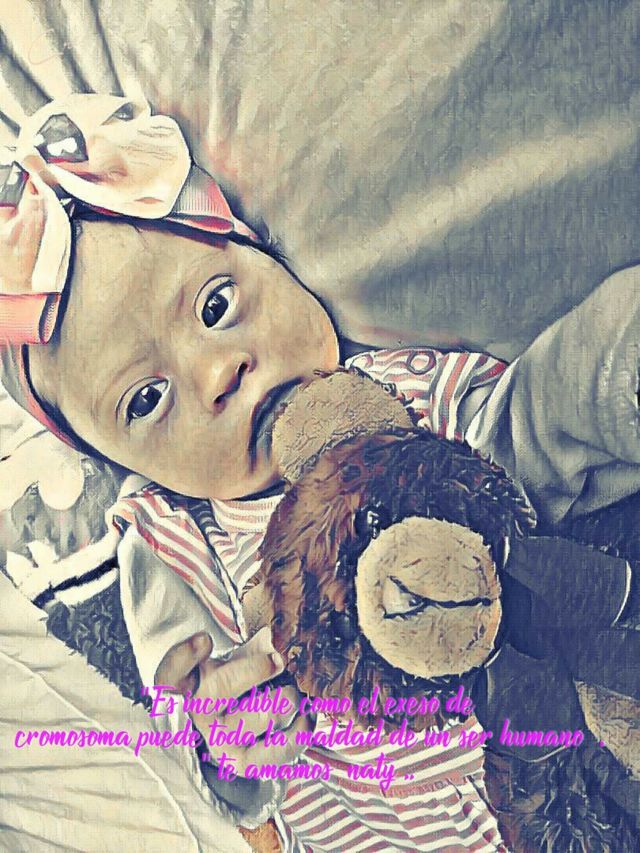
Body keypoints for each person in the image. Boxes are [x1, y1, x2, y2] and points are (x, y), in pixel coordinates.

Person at [2, 93, 639, 850]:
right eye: (146, 398)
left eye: (216, 305)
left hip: (553, 789)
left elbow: (529, 435)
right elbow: (197, 735)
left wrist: (607, 368)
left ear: (264, 256)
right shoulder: (171, 542)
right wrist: (232, 741)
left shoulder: (402, 401)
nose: (217, 371)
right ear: (119, 461)